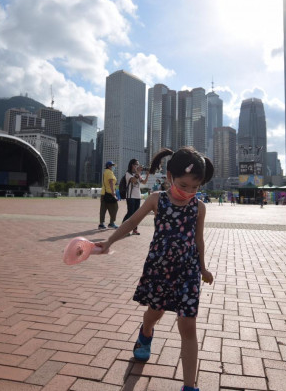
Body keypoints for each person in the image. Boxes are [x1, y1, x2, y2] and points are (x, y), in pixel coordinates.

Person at [98, 147, 215, 391]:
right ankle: (146, 332)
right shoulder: (156, 200)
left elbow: (199, 240)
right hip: (160, 269)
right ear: (170, 177)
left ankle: (189, 386)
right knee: (155, 312)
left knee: (188, 323)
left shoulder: (199, 207)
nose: (190, 192)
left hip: (188, 272)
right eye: (184, 185)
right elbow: (131, 222)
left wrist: (203, 268)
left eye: (195, 187)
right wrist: (109, 241)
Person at [122, 159, 148, 235]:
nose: (138, 166)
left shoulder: (137, 174)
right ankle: (123, 229)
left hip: (137, 196)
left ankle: (134, 229)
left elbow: (144, 182)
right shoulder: (128, 174)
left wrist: (147, 174)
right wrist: (138, 172)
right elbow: (133, 180)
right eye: (136, 164)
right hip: (130, 196)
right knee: (130, 213)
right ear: (132, 165)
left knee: (136, 214)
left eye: (138, 164)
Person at [99, 161, 119, 229]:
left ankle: (101, 224)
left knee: (103, 209)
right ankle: (111, 223)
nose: (113, 167)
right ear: (109, 166)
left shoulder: (106, 172)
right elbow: (111, 182)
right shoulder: (109, 172)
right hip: (109, 193)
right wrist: (113, 193)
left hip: (103, 193)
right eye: (112, 165)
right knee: (115, 207)